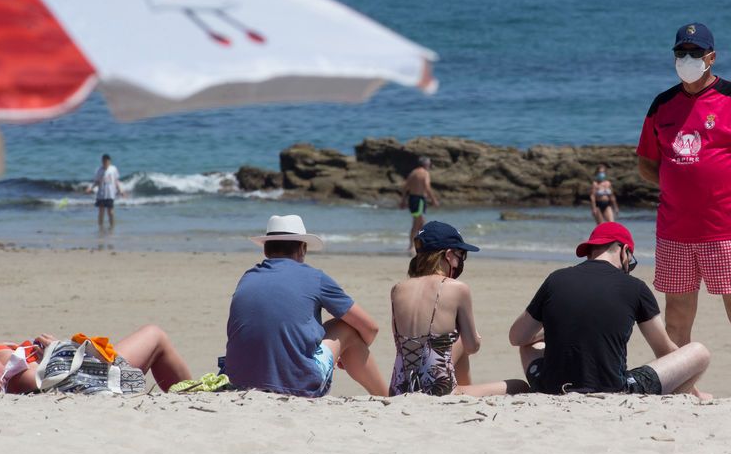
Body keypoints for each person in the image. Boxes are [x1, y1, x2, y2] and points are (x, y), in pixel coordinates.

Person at [636, 23, 731, 399]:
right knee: (677, 319)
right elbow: (646, 164)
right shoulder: (662, 104)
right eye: (680, 53)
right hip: (674, 230)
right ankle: (681, 394)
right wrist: (676, 187)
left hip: (727, 228)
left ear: (711, 58)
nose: (687, 60)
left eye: (694, 54)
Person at [508, 222, 710, 397]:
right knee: (699, 353)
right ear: (625, 252)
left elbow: (517, 338)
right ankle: (687, 397)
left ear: (590, 252)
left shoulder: (556, 278)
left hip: (550, 388)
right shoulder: (635, 287)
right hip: (612, 389)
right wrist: (695, 390)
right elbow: (664, 350)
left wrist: (560, 327)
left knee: (530, 345)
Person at [224, 214, 388, 397]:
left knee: (327, 326)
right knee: (347, 327)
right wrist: (349, 352)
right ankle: (385, 396)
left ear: (266, 250)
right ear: (302, 248)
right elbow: (371, 328)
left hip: (238, 381)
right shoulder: (315, 278)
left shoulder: (247, 277)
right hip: (298, 385)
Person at [390, 221, 529, 396]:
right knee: (519, 386)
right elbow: (472, 346)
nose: (462, 260)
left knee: (453, 342)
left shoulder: (397, 289)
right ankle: (464, 392)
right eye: (461, 254)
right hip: (440, 391)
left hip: (398, 389)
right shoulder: (457, 288)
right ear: (448, 255)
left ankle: (463, 388)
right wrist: (476, 337)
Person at [0, 325, 191, 396]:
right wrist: (57, 349)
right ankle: (190, 395)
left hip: (90, 365)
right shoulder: (21, 379)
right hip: (99, 372)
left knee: (154, 338)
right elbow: (69, 378)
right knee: (155, 336)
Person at [399, 156, 439, 255]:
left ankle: (420, 244)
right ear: (426, 164)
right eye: (429, 163)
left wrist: (403, 200)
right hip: (419, 200)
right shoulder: (425, 173)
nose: (430, 165)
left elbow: (405, 187)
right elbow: (427, 186)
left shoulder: (413, 173)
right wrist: (433, 199)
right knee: (418, 223)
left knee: (419, 223)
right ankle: (412, 246)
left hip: (412, 199)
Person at [86, 153, 124, 230]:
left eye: (106, 161)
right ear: (102, 161)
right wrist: (91, 188)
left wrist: (120, 190)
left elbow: (116, 181)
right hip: (101, 194)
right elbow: (97, 182)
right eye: (103, 161)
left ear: (109, 161)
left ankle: (112, 227)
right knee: (101, 212)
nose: (105, 163)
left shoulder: (113, 169)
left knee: (111, 212)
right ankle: (100, 228)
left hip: (110, 194)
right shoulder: (99, 170)